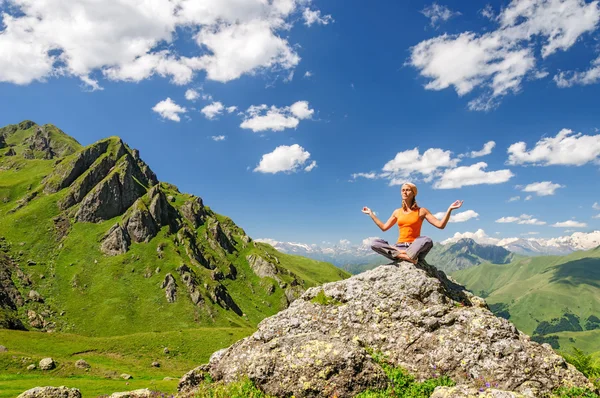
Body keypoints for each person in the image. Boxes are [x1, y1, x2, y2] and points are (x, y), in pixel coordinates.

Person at [362, 182, 463, 264]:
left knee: (427, 240)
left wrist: (450, 209)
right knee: (374, 243)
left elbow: (441, 225)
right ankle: (406, 256)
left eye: (407, 190)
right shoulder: (397, 212)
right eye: (403, 190)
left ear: (413, 193)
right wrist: (371, 214)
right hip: (399, 246)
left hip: (414, 247)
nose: (404, 192)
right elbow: (384, 227)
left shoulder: (422, 211)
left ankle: (402, 254)